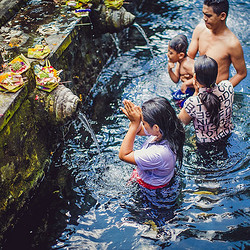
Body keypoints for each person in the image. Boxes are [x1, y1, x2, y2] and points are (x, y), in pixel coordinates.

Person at [119, 97, 185, 189]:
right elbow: (138, 131)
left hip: (150, 189)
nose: (142, 124)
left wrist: (135, 124)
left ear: (156, 127)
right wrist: (136, 119)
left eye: (144, 123)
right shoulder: (168, 128)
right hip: (153, 174)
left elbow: (123, 155)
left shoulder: (159, 153)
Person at [187, 0, 247, 87]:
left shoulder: (232, 44)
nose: (204, 18)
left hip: (215, 91)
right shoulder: (200, 29)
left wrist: (222, 91)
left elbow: (241, 73)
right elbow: (189, 57)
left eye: (208, 15)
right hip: (195, 84)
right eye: (203, 14)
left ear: (222, 16)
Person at [178, 55, 234, 144]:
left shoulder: (193, 102)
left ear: (195, 77)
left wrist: (196, 92)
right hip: (228, 135)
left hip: (205, 145)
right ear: (216, 73)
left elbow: (180, 121)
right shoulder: (228, 86)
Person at [167, 34, 195, 106]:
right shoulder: (179, 62)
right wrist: (170, 70)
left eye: (171, 53)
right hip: (189, 89)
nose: (168, 55)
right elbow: (176, 80)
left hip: (195, 90)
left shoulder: (187, 64)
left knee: (182, 105)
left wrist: (186, 83)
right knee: (174, 98)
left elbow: (201, 75)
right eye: (168, 51)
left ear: (181, 55)